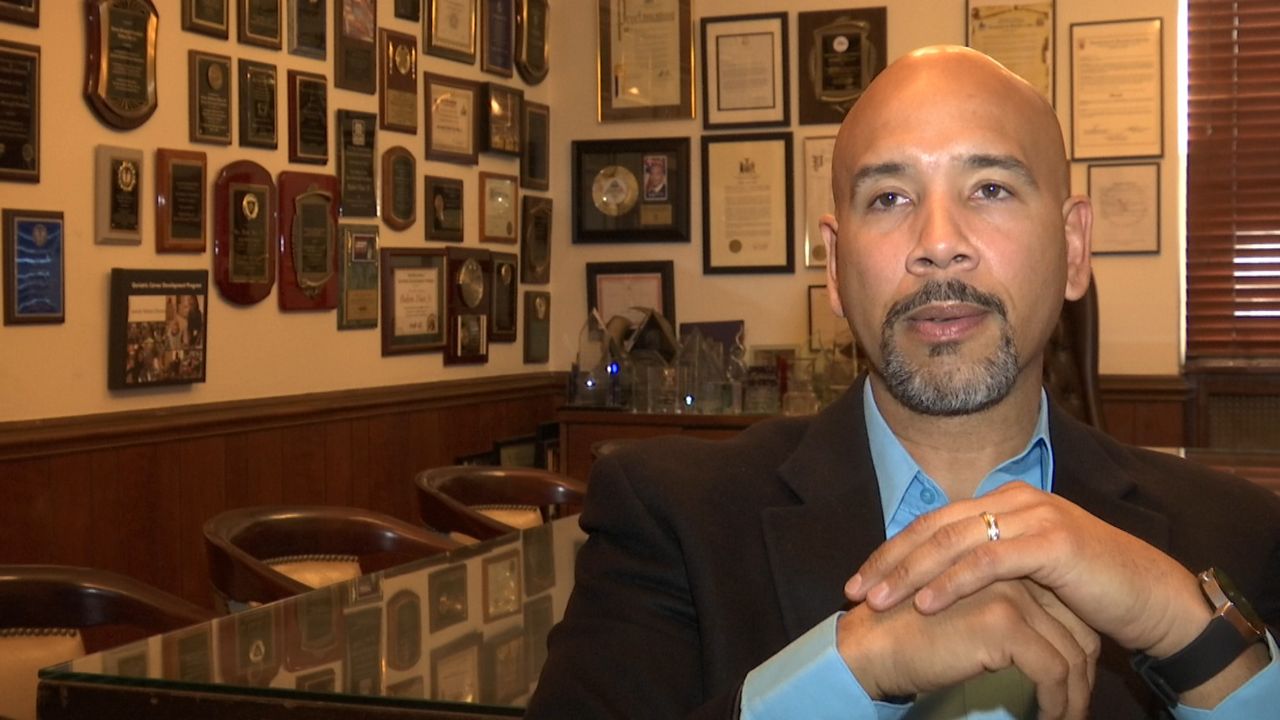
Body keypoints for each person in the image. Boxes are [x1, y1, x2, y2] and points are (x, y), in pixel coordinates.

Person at [526, 46, 1280, 719]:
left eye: (989, 188)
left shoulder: (1233, 540)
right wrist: (851, 670)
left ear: (1074, 245)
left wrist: (1197, 642)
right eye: (889, 198)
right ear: (834, 266)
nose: (939, 244)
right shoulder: (670, 517)